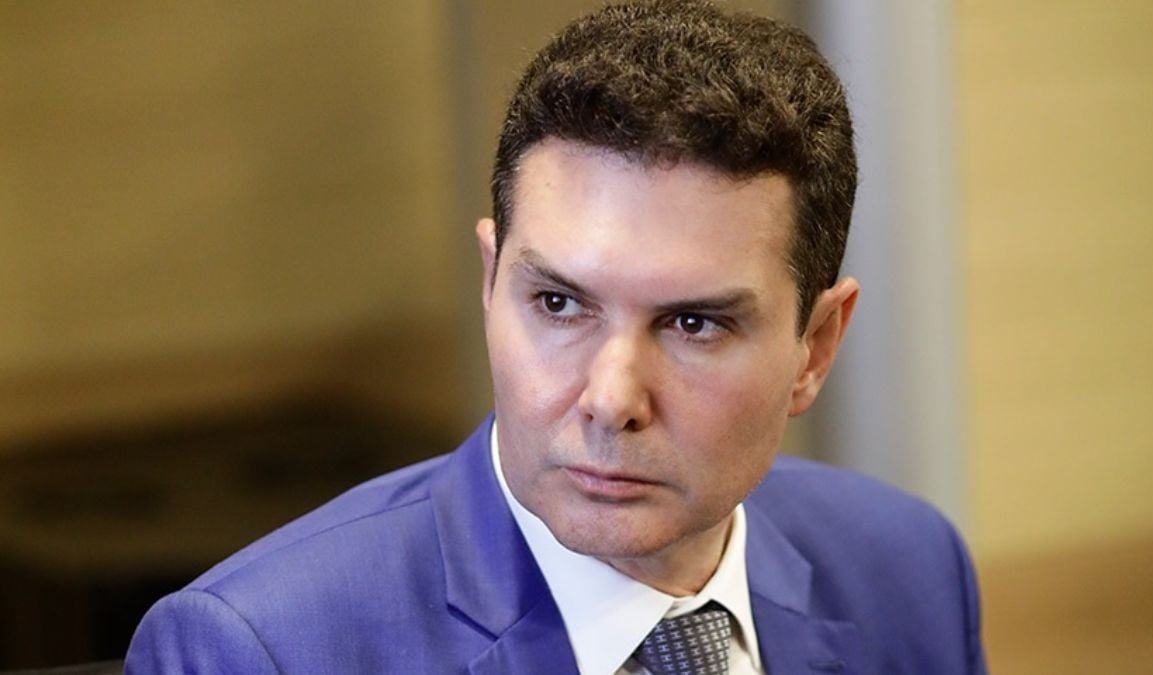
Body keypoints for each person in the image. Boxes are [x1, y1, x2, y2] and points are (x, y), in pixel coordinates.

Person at [126, 1, 986, 672]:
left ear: (816, 347)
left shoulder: (908, 568)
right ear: (490, 282)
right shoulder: (258, 648)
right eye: (559, 304)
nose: (611, 398)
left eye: (693, 323)